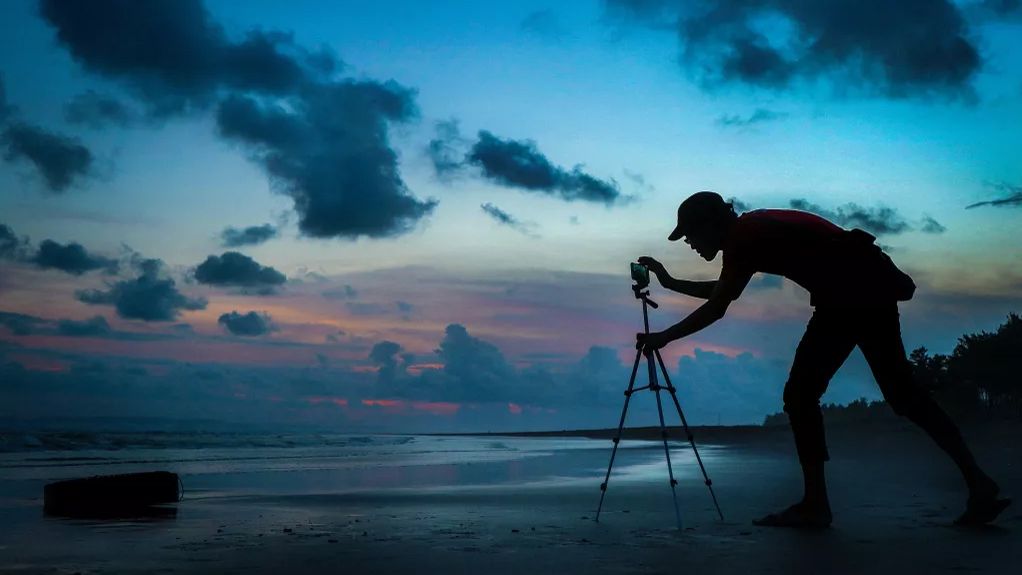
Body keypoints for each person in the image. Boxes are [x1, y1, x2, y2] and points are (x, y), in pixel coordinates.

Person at [636, 191, 1010, 528]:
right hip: (869, 290)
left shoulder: (744, 238)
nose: (690, 244)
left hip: (847, 297)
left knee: (801, 396)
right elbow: (724, 291)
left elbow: (719, 306)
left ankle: (815, 506)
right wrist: (669, 283)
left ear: (710, 224)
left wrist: (663, 338)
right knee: (904, 397)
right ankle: (977, 482)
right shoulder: (748, 230)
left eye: (690, 235)